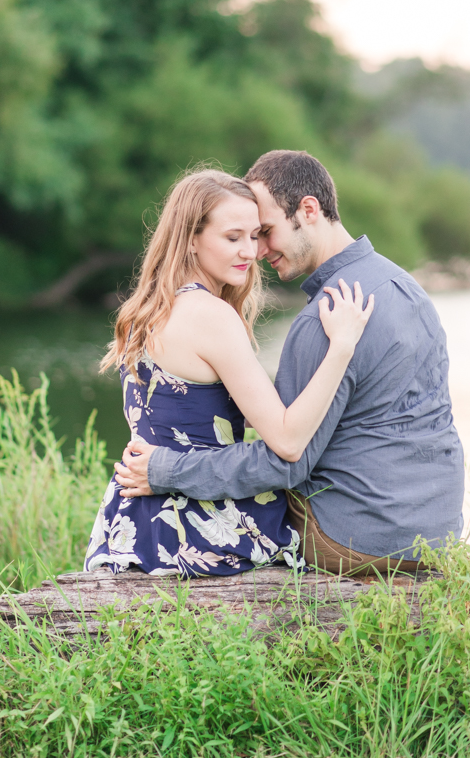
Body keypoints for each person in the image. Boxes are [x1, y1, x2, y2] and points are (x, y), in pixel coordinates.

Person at [116, 150, 465, 576]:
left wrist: (166, 468)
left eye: (264, 232)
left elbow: (286, 458)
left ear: (309, 210)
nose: (257, 250)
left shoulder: (328, 316)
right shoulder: (405, 286)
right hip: (437, 532)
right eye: (239, 236)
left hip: (355, 538)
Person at [84, 168, 373, 577]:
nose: (251, 252)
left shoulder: (143, 311)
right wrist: (341, 348)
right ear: (190, 239)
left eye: (255, 236)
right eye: (232, 237)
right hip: (196, 522)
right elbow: (288, 441)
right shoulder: (211, 316)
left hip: (130, 519)